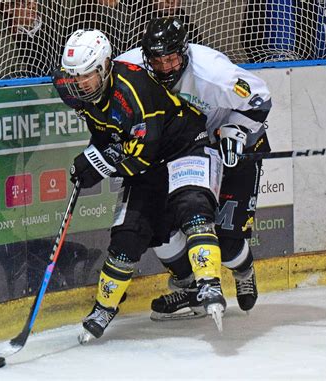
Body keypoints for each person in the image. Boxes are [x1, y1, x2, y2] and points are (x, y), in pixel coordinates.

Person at [53, 29, 226, 341]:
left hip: (184, 146)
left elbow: (140, 158)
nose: (80, 84)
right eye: (75, 77)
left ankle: (209, 282)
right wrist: (90, 159)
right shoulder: (79, 91)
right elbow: (107, 136)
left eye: (87, 76)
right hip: (148, 158)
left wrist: (99, 169)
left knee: (193, 207)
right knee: (128, 235)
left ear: (105, 66)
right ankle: (104, 308)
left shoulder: (135, 92)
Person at [117, 17, 272, 320]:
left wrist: (233, 129)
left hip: (233, 149)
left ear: (184, 52)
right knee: (161, 230)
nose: (165, 67)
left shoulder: (213, 73)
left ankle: (243, 271)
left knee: (227, 245)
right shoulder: (131, 67)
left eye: (172, 58)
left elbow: (260, 100)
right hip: (183, 151)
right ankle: (193, 292)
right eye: (157, 60)